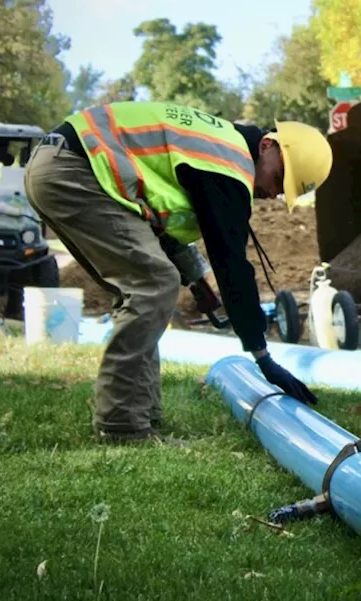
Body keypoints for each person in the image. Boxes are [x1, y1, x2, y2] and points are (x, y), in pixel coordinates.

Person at [24, 101, 333, 443]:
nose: (273, 194)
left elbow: (161, 225)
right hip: (76, 170)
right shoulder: (229, 163)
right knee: (153, 284)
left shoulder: (216, 146)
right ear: (267, 145)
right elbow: (231, 263)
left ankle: (142, 417)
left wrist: (196, 280)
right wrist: (262, 356)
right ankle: (122, 426)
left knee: (146, 286)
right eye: (279, 179)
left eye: (282, 192)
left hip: (64, 165)